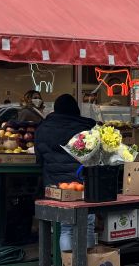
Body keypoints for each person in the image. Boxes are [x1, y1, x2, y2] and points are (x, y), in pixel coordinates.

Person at [34, 94, 98, 251]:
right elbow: (96, 157)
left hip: (57, 187)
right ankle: (87, 265)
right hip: (83, 184)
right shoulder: (87, 128)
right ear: (75, 109)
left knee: (66, 227)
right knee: (87, 224)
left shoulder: (43, 128)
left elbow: (39, 158)